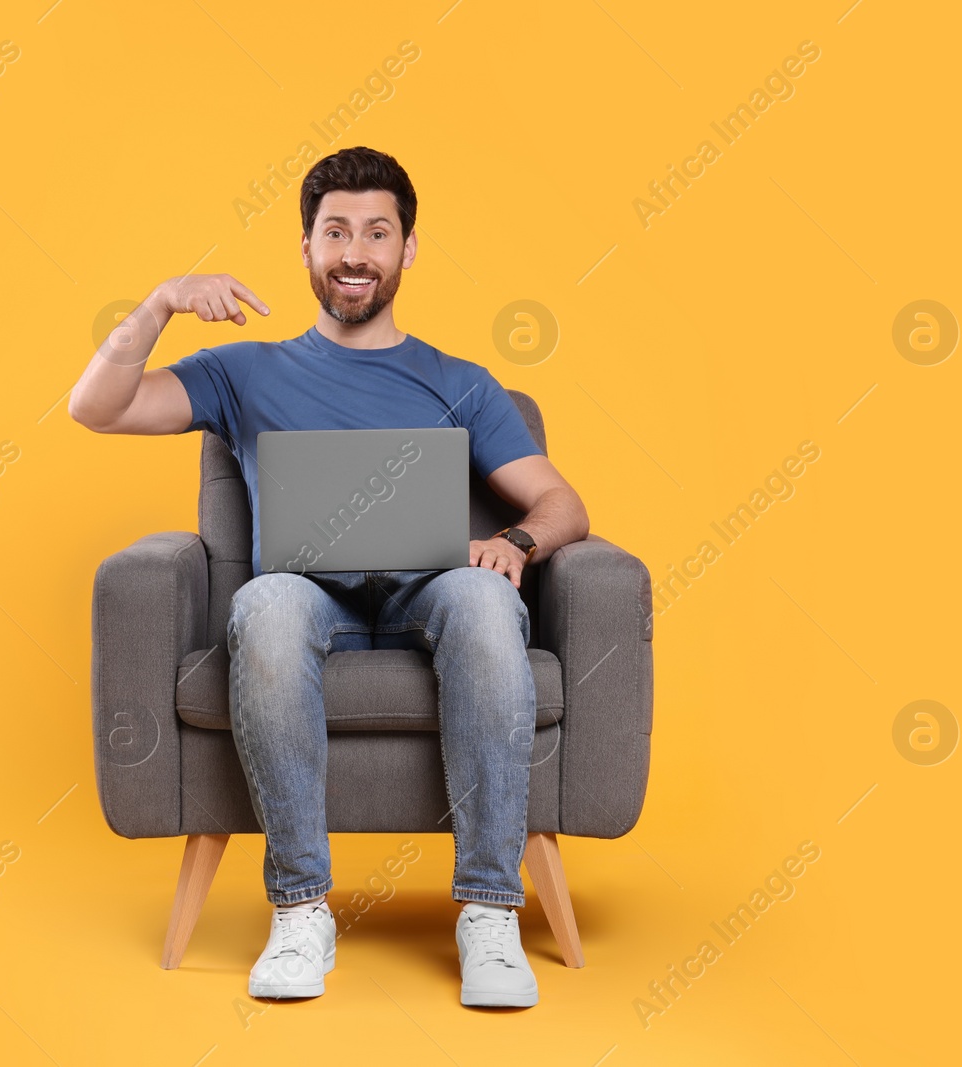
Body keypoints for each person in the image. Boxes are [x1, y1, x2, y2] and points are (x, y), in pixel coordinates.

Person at [69, 146, 589, 1008]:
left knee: (486, 598)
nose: (356, 252)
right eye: (336, 232)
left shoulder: (460, 381)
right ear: (306, 248)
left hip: (436, 588)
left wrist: (517, 545)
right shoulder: (244, 373)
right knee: (264, 603)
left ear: (407, 250)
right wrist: (161, 300)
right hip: (306, 596)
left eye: (376, 233)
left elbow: (561, 502)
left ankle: (490, 914)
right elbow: (97, 407)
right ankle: (301, 907)